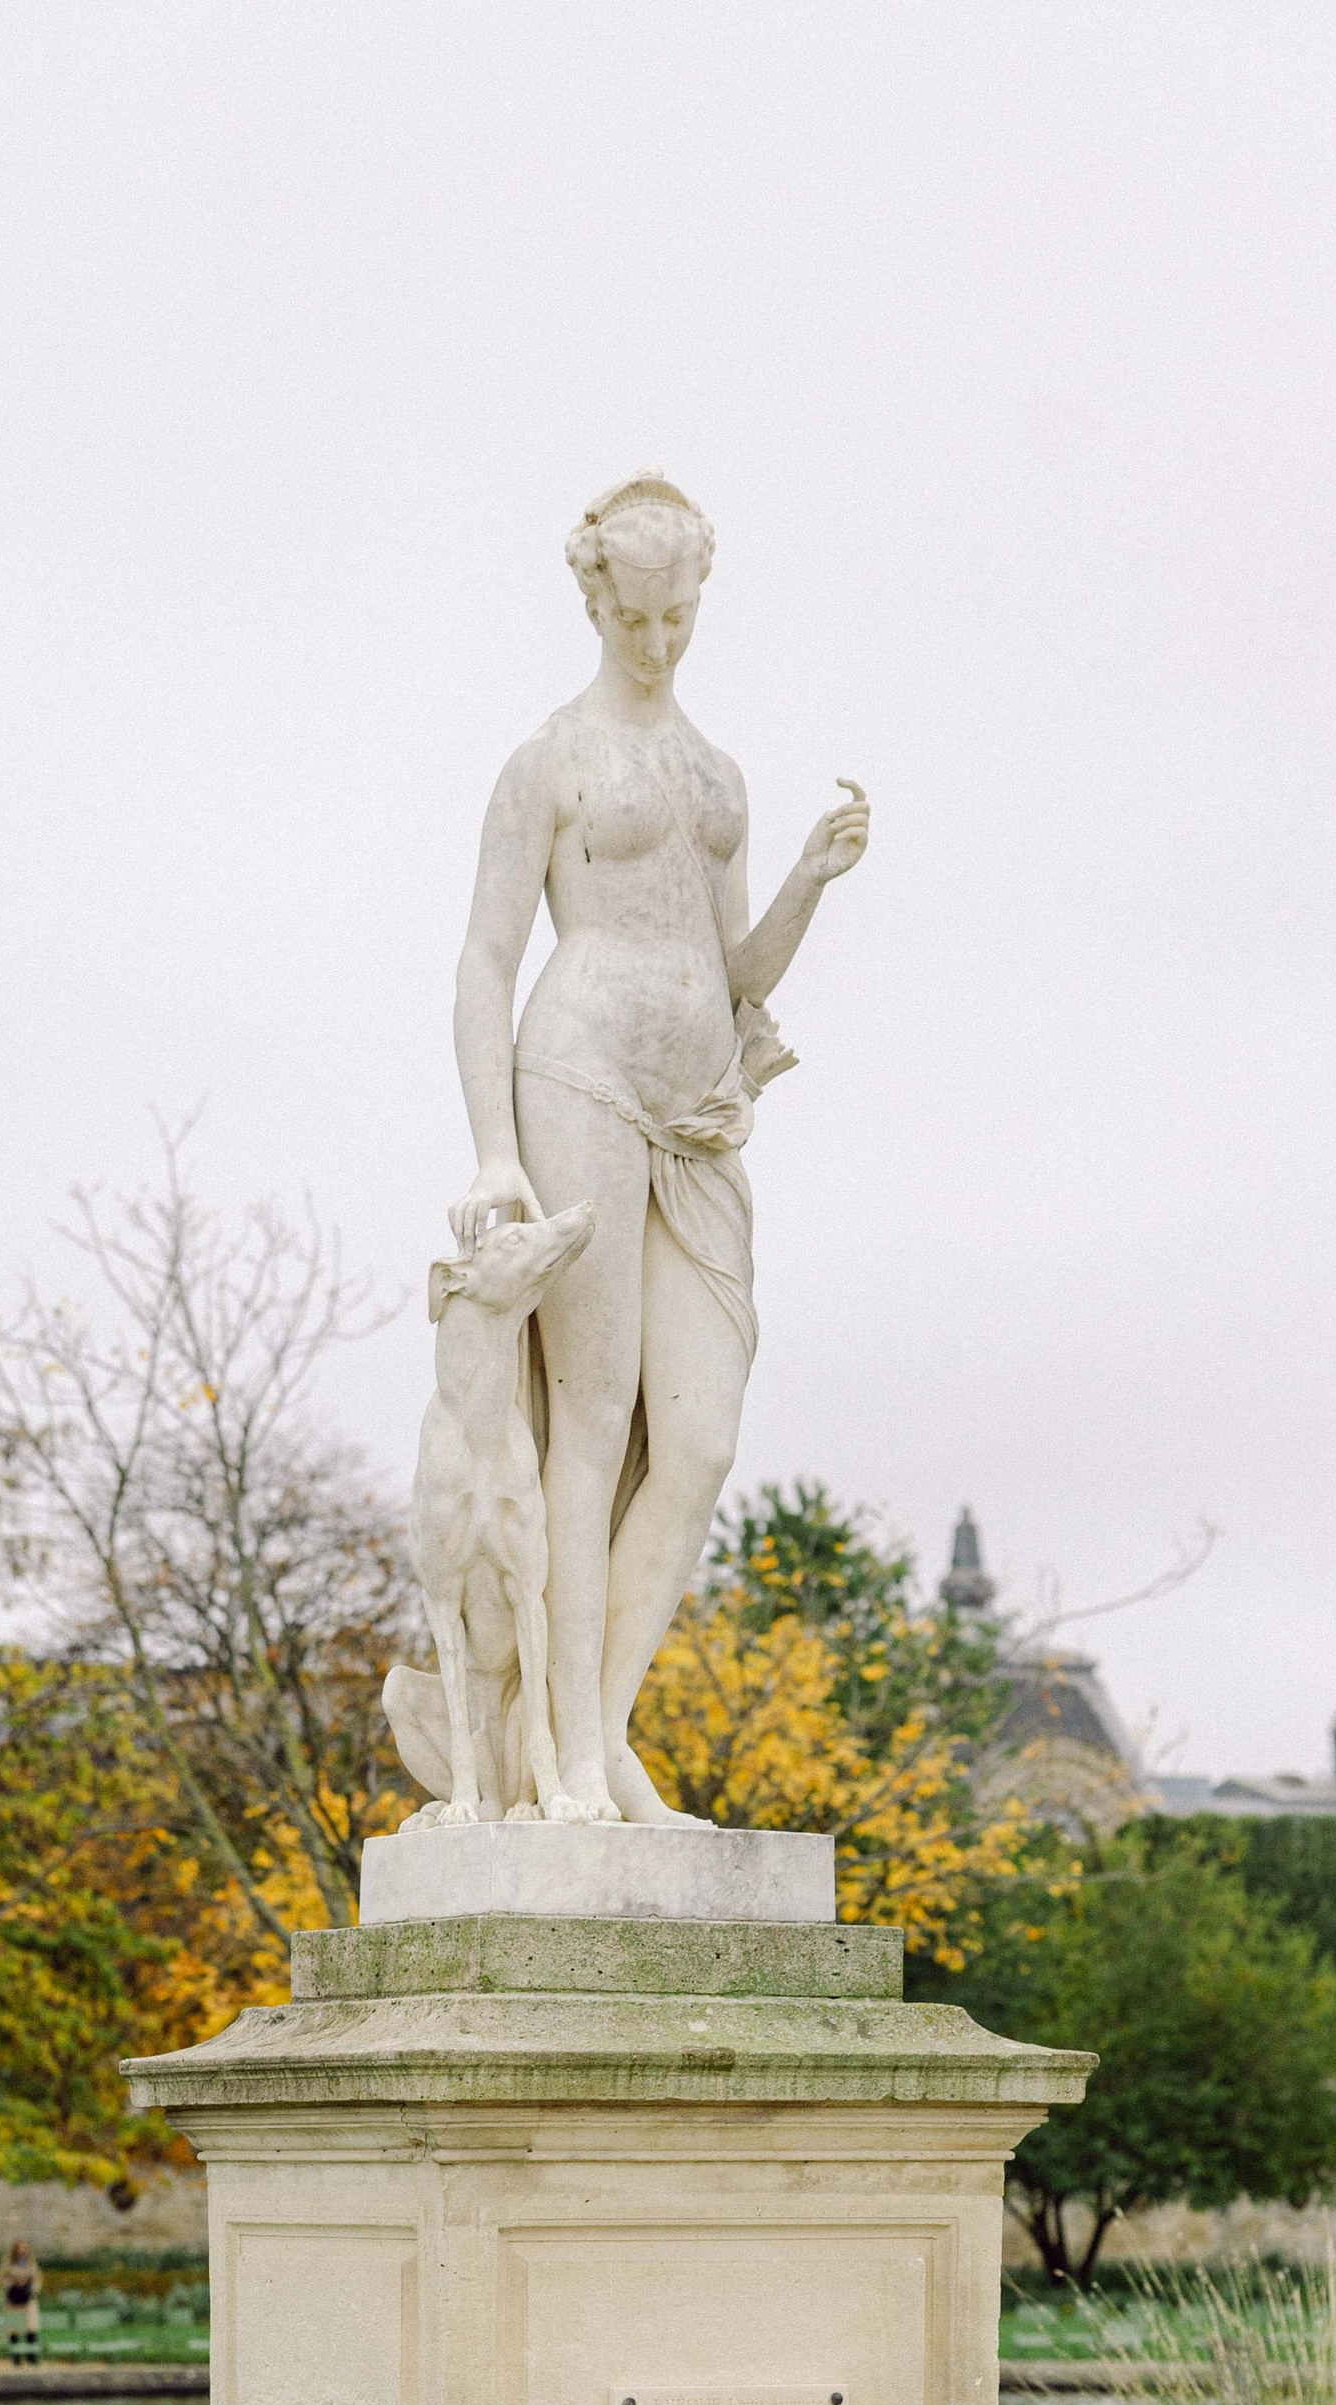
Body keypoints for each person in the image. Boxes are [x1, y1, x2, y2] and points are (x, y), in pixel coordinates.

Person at [443, 471, 868, 1823]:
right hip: (574, 1074)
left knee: (693, 1445)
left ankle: (604, 1725)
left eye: (681, 617)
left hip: (692, 1116)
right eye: (639, 619)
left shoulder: (713, 773)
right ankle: (569, 1765)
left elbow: (734, 973)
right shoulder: (551, 760)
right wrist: (492, 1150)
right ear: (596, 600)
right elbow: (485, 960)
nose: (662, 642)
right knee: (590, 1416)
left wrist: (807, 879)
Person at [0, 2238, 42, 2365]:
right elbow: (1, 2278)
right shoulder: (7, 2262)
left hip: (27, 2299)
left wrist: (30, 2289)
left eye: (25, 2248)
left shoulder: (31, 2263)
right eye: (20, 2248)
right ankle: (16, 2358)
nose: (22, 2251)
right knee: (14, 2329)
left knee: (31, 2329)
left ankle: (32, 2358)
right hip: (13, 2299)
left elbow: (37, 2279)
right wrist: (14, 2284)